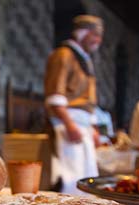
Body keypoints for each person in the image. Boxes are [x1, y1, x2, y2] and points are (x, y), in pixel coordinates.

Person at [44, 15, 104, 195]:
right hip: (66, 122)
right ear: (82, 33)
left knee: (87, 176)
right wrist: (69, 124)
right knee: (70, 176)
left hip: (83, 124)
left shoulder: (85, 59)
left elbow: (88, 98)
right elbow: (55, 93)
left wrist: (93, 127)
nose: (98, 40)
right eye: (94, 34)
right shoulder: (64, 54)